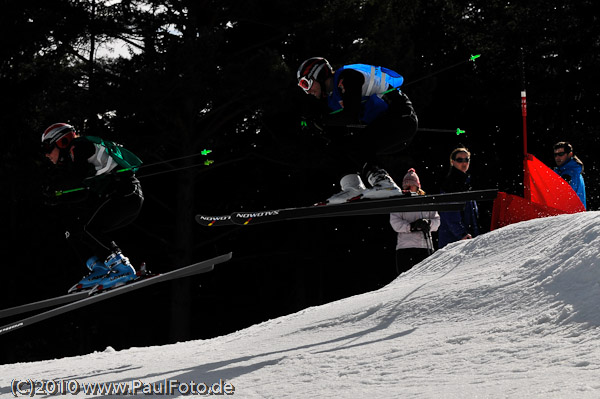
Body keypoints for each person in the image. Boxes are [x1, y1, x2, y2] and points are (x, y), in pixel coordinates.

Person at [296, 57, 418, 204]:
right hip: (388, 126)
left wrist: (321, 120)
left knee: (358, 145)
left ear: (319, 74)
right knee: (338, 145)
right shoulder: (333, 97)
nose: (307, 91)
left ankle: (385, 184)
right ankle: (352, 187)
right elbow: (340, 125)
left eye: (306, 83)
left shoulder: (347, 77)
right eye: (302, 87)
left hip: (402, 119)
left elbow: (350, 115)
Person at [41, 123, 144, 292]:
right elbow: (82, 192)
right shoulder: (76, 158)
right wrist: (57, 198)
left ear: (62, 141)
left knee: (90, 228)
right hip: (118, 197)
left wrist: (55, 186)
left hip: (126, 194)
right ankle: (99, 268)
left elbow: (77, 176)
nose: (46, 154)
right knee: (74, 231)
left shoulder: (80, 146)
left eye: (47, 147)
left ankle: (123, 267)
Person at [389, 168, 440, 275]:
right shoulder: (399, 203)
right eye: (405, 185)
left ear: (417, 186)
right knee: (405, 278)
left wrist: (428, 223)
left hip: (424, 246)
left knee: (425, 277)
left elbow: (437, 221)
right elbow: (395, 223)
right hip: (405, 247)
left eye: (411, 184)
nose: (407, 187)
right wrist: (411, 226)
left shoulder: (427, 202)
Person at [437, 146, 479, 249]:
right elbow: (450, 213)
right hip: (453, 240)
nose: (464, 163)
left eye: (466, 160)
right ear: (452, 162)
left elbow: (472, 213)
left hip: (465, 238)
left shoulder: (466, 182)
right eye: (460, 160)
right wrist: (462, 234)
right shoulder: (450, 183)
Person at [552, 141, 586, 209]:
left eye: (561, 154)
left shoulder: (571, 173)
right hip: (565, 215)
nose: (557, 157)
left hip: (572, 216)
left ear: (570, 154)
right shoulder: (559, 171)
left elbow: (563, 198)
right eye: (555, 155)